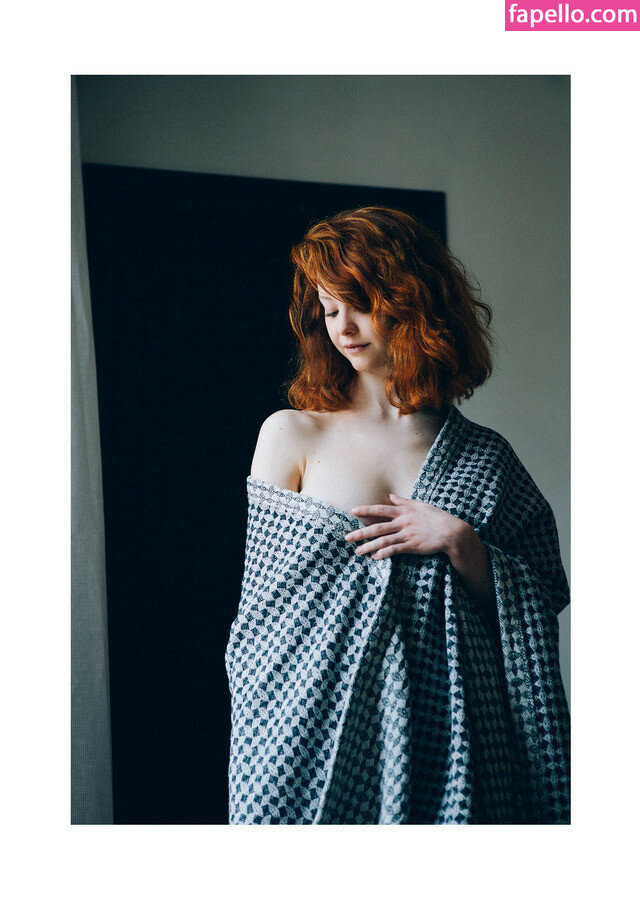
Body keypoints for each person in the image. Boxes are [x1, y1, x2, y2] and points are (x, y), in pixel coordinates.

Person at [225, 206, 570, 825]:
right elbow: (263, 613)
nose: (343, 327)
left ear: (412, 300)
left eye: (359, 303)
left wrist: (464, 544)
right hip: (308, 722)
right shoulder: (292, 433)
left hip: (456, 732)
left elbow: (544, 591)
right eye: (329, 309)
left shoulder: (484, 457)